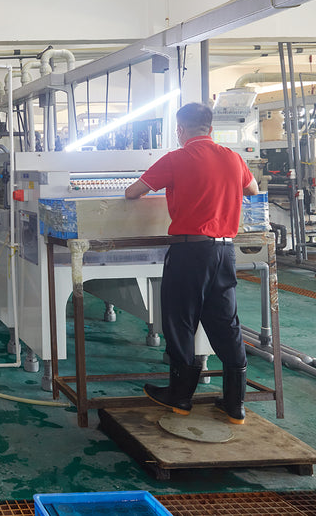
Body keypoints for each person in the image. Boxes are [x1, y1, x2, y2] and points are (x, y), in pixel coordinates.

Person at [125, 102, 259, 425]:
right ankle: (235, 405)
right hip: (224, 252)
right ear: (210, 129)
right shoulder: (234, 158)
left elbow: (133, 193)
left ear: (180, 130)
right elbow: (253, 189)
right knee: (226, 323)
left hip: (189, 252)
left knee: (180, 320)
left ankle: (181, 397)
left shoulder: (176, 158)